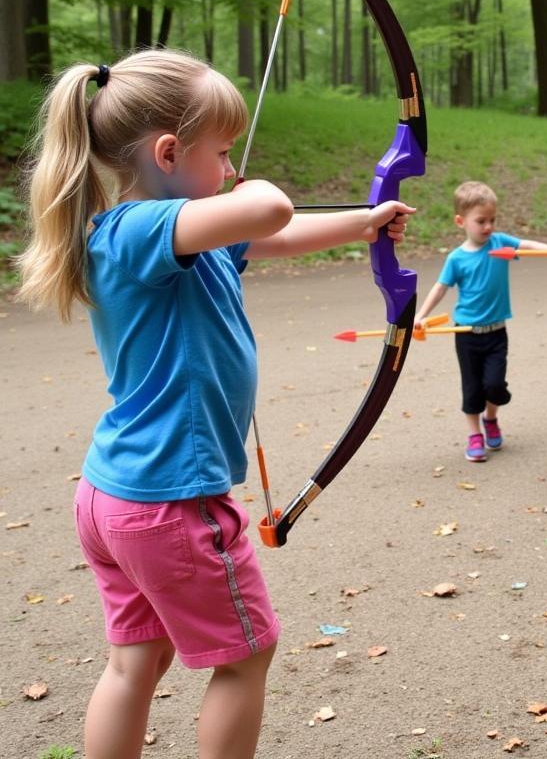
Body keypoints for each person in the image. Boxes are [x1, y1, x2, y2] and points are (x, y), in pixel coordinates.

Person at [16, 50, 413, 759]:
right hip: (172, 500)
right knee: (245, 656)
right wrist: (252, 190)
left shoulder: (178, 237)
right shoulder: (137, 231)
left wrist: (365, 220)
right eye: (223, 153)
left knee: (135, 662)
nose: (231, 169)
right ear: (168, 153)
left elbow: (275, 233)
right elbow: (268, 207)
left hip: (118, 496)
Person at [414, 181, 547, 462]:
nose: (488, 226)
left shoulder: (500, 244)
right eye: (481, 221)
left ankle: (491, 418)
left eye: (492, 220)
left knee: (495, 385)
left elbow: (526, 245)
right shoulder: (456, 259)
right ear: (460, 221)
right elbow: (440, 287)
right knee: (472, 387)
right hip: (466, 334)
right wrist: (422, 315)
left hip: (497, 333)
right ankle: (475, 434)